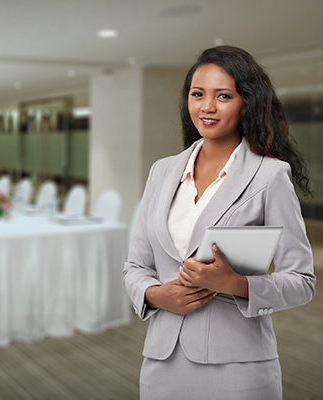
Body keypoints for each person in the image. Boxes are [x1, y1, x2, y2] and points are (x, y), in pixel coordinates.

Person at [123, 45, 316, 400]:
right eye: (198, 95)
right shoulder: (162, 171)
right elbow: (135, 266)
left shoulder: (270, 176)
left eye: (223, 96)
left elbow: (302, 280)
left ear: (247, 103)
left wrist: (237, 284)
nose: (206, 107)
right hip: (161, 364)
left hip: (238, 369)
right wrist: (156, 295)